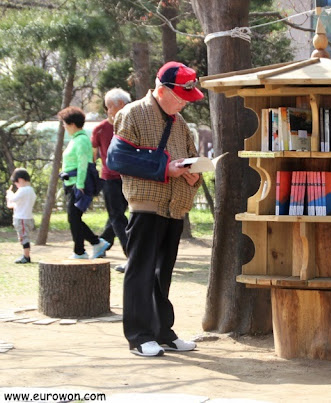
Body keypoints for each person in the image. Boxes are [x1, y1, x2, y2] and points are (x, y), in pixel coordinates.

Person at [114, 61, 203, 357]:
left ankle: (163, 331)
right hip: (146, 206)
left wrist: (194, 174)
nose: (184, 104)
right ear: (162, 90)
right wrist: (167, 167)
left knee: (162, 272)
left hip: (175, 207)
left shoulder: (180, 123)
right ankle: (139, 337)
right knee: (140, 272)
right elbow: (118, 159)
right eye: (181, 97)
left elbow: (191, 157)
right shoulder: (133, 113)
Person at [59, 106, 111, 260]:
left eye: (65, 123)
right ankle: (94, 244)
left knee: (73, 217)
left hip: (77, 185)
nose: (64, 126)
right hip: (72, 183)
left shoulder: (81, 140)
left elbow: (83, 164)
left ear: (72, 124)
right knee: (74, 218)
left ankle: (81, 251)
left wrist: (80, 185)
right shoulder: (76, 139)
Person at [91, 88, 132, 272]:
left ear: (121, 105)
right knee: (117, 216)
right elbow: (93, 156)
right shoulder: (99, 129)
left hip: (130, 177)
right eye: (107, 107)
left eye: (109, 106)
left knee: (120, 217)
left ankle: (128, 256)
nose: (107, 110)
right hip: (109, 178)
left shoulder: (131, 124)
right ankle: (127, 254)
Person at [6, 168, 37, 264]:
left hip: (21, 219)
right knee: (24, 237)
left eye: (16, 183)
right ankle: (25, 255)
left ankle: (26, 256)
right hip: (28, 218)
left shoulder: (22, 190)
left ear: (20, 180)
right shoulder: (31, 190)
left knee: (24, 238)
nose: (16, 185)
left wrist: (9, 193)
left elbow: (13, 199)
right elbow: (14, 204)